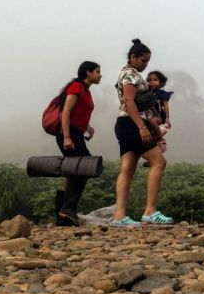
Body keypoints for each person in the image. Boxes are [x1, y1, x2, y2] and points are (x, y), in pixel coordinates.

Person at [112, 39, 173, 226]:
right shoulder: (130, 75)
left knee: (127, 168)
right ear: (133, 57)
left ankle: (120, 216)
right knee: (158, 161)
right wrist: (142, 127)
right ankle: (150, 211)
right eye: (143, 60)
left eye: (147, 61)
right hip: (132, 124)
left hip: (125, 123)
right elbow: (129, 101)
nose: (145, 64)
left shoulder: (131, 74)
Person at [54, 61, 101, 226]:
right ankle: (67, 208)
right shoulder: (76, 87)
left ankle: (62, 215)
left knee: (72, 172)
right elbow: (65, 111)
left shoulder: (86, 91)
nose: (100, 75)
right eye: (97, 71)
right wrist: (67, 136)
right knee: (84, 167)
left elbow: (77, 113)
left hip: (77, 133)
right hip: (69, 134)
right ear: (88, 73)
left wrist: (87, 127)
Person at [146, 70, 173, 153]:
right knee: (150, 138)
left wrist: (167, 118)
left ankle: (161, 141)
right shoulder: (146, 93)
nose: (152, 82)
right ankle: (152, 155)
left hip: (159, 117)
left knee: (155, 126)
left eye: (155, 80)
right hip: (148, 116)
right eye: (149, 80)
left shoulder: (162, 93)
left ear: (161, 83)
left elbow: (165, 106)